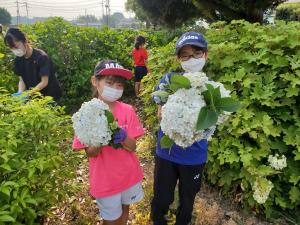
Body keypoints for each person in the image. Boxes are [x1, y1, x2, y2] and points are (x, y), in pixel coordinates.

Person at [72, 59, 145, 225]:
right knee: (110, 219)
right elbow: (90, 153)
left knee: (125, 209)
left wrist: (122, 135)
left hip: (129, 175)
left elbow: (132, 147)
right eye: (109, 82)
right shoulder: (86, 114)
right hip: (105, 181)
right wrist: (100, 137)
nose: (115, 88)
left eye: (119, 85)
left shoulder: (127, 110)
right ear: (95, 81)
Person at [151, 32, 211, 225]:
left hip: (194, 155)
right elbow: (160, 107)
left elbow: (213, 121)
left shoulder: (212, 89)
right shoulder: (170, 80)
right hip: (167, 152)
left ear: (205, 55)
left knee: (187, 200)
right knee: (161, 198)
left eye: (197, 53)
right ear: (179, 59)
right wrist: (164, 107)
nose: (191, 59)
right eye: (185, 55)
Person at [4, 28, 61, 101]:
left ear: (24, 41)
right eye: (11, 48)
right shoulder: (18, 60)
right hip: (34, 96)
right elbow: (22, 80)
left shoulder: (41, 57)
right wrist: (20, 92)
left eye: (16, 47)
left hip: (49, 96)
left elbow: (44, 82)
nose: (15, 50)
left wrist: (28, 94)